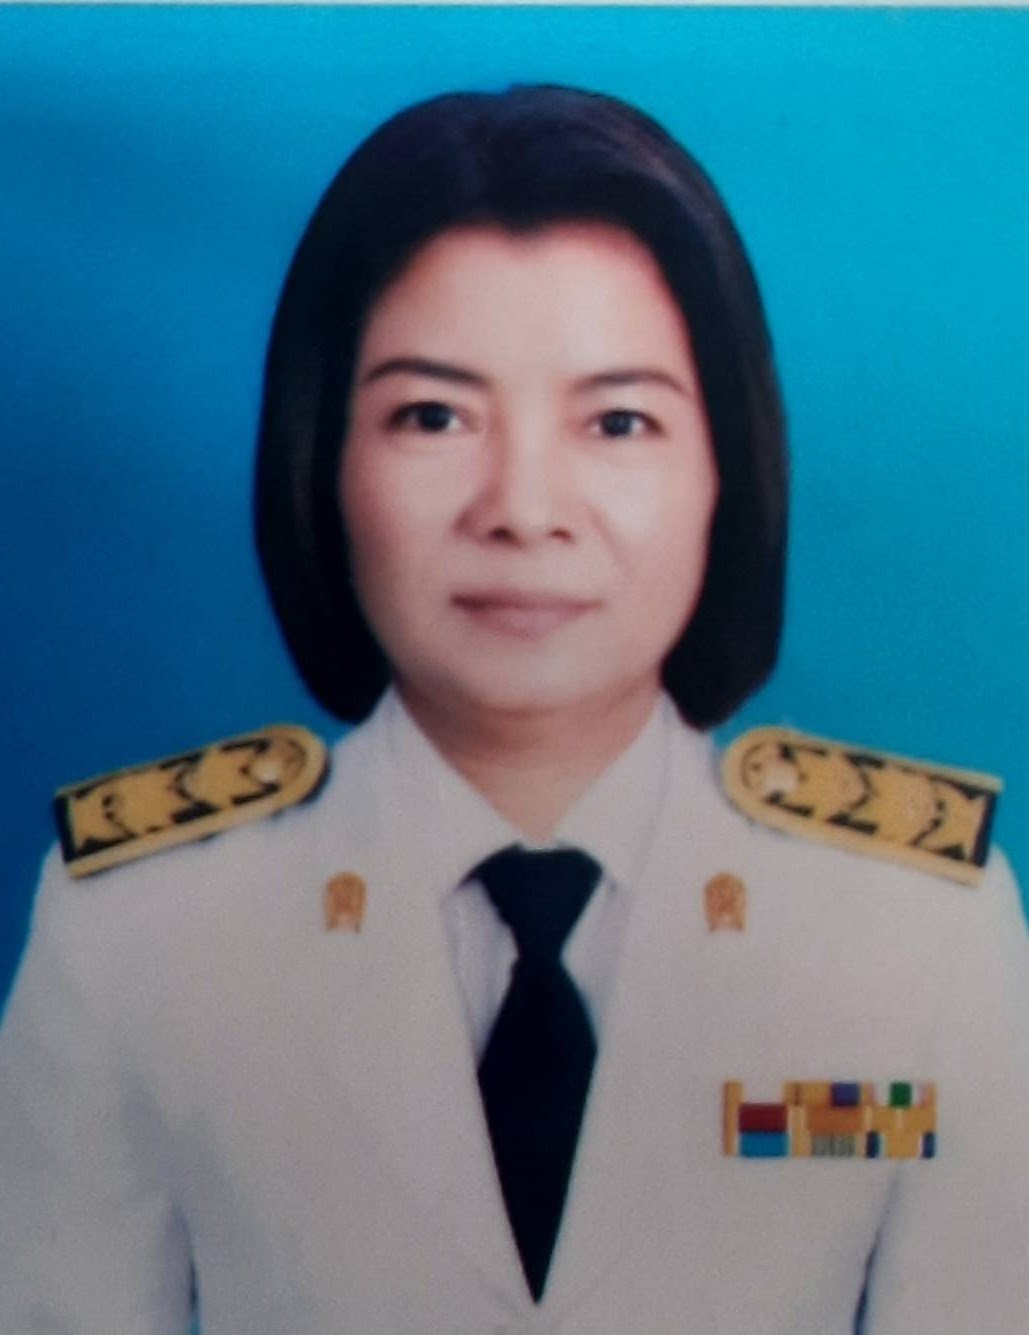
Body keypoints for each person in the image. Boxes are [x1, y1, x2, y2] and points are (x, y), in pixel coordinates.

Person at [1, 85, 1026, 1335]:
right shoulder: (143, 930)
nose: (524, 510)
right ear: (321, 459)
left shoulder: (917, 935)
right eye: (433, 415)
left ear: (728, 468)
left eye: (618, 421)